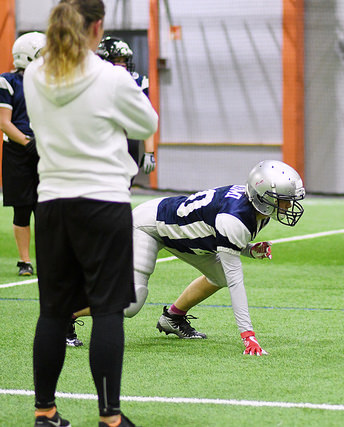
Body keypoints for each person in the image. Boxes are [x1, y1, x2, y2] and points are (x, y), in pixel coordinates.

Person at [23, 0, 158, 425]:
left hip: (52, 205)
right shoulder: (112, 77)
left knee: (52, 311)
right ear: (97, 28)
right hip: (103, 204)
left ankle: (45, 412)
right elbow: (147, 125)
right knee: (106, 310)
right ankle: (110, 418)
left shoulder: (33, 74)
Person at [128, 160, 304, 356]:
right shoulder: (235, 218)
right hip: (149, 226)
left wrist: (249, 250)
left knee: (220, 277)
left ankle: (172, 318)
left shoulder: (256, 209)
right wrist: (248, 336)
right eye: (284, 199)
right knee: (132, 304)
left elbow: (222, 236)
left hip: (183, 236)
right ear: (263, 197)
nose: (289, 205)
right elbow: (236, 281)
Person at [0, 32, 45, 277]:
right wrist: (28, 143)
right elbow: (4, 122)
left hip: (45, 149)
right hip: (18, 152)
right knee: (22, 208)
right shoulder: (8, 81)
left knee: (47, 208)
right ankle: (24, 261)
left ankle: (50, 258)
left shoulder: (48, 81)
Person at [97, 36, 156, 176]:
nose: (122, 64)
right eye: (117, 60)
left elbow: (145, 118)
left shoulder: (136, 81)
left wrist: (149, 152)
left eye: (124, 60)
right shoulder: (93, 81)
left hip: (128, 140)